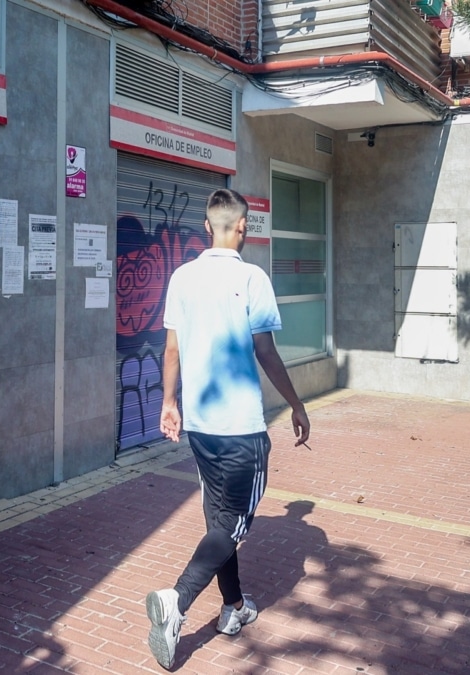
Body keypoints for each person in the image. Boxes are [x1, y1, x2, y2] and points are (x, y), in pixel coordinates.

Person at [145, 188, 311, 670]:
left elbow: (171, 350)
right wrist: (297, 404)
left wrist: (169, 403)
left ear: (206, 226)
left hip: (200, 428)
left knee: (220, 525)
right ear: (243, 228)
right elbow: (265, 351)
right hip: (242, 431)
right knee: (232, 529)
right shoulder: (252, 277)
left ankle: (234, 608)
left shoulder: (182, 277)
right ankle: (175, 602)